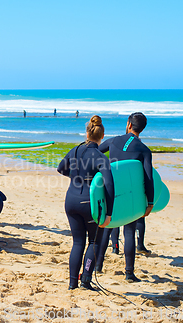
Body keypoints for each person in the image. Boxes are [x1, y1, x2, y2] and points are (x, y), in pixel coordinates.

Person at [95, 112, 154, 283]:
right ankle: (129, 273)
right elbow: (149, 178)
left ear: (128, 124)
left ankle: (98, 265)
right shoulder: (144, 150)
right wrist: (149, 202)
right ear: (142, 129)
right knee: (129, 231)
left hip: (111, 191)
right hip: (131, 196)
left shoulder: (113, 141)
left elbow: (96, 151)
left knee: (107, 226)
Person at [57, 115, 114, 291]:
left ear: (86, 133)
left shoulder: (74, 150)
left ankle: (72, 283)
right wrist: (109, 214)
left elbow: (61, 168)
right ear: (102, 136)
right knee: (94, 242)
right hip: (88, 203)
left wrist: (76, 178)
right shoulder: (100, 157)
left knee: (77, 243)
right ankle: (86, 280)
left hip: (71, 200)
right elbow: (110, 186)